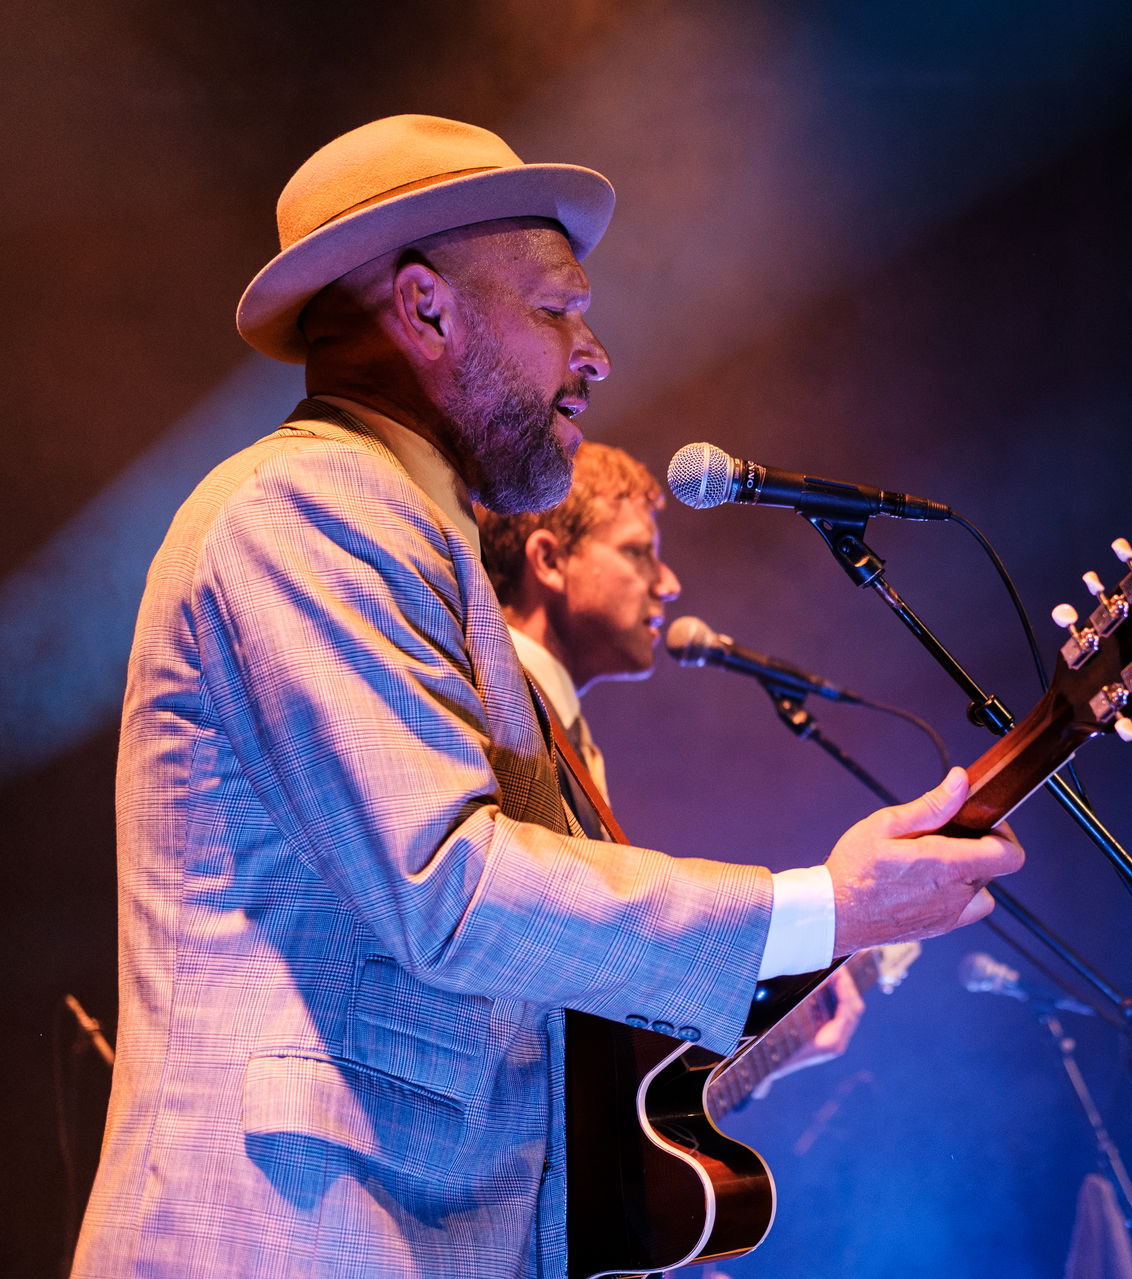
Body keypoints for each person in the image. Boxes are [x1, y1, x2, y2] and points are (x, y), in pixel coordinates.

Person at [72, 114, 1019, 1278]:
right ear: (426, 310)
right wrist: (818, 909)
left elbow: (524, 1004)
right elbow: (454, 890)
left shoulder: (422, 544)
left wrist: (797, 966)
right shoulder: (309, 507)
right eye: (558, 309)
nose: (598, 353)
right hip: (289, 1234)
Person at [474, 442, 864, 1084]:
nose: (669, 582)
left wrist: (763, 1055)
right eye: (637, 552)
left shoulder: (569, 735)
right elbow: (519, 923)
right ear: (548, 559)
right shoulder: (489, 697)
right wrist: (822, 909)